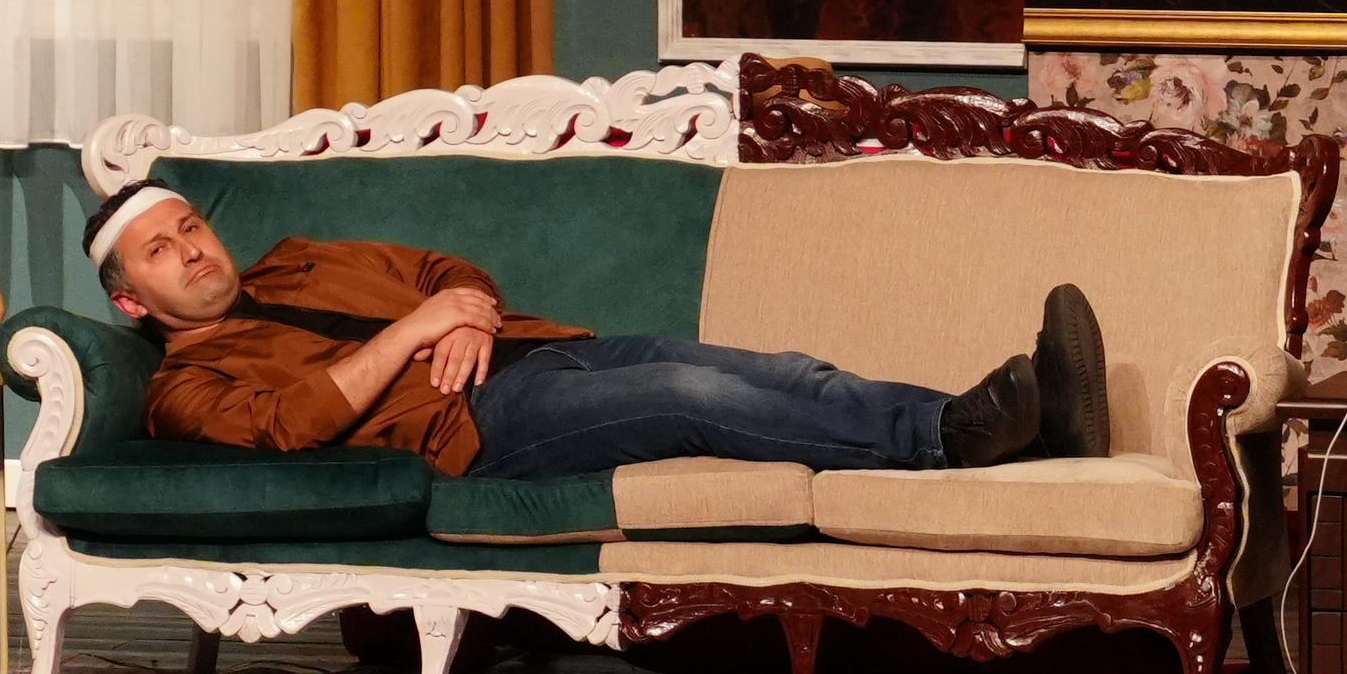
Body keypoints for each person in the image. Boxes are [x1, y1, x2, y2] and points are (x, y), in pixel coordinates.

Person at [85, 182, 1100, 481]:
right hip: (474, 424)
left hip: (536, 348)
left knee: (771, 367)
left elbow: (444, 272)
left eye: (191, 227)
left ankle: (1020, 425)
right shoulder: (182, 388)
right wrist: (417, 334)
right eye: (161, 253)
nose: (193, 251)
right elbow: (290, 424)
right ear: (132, 300)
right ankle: (950, 436)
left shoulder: (299, 258)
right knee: (686, 398)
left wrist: (468, 310)